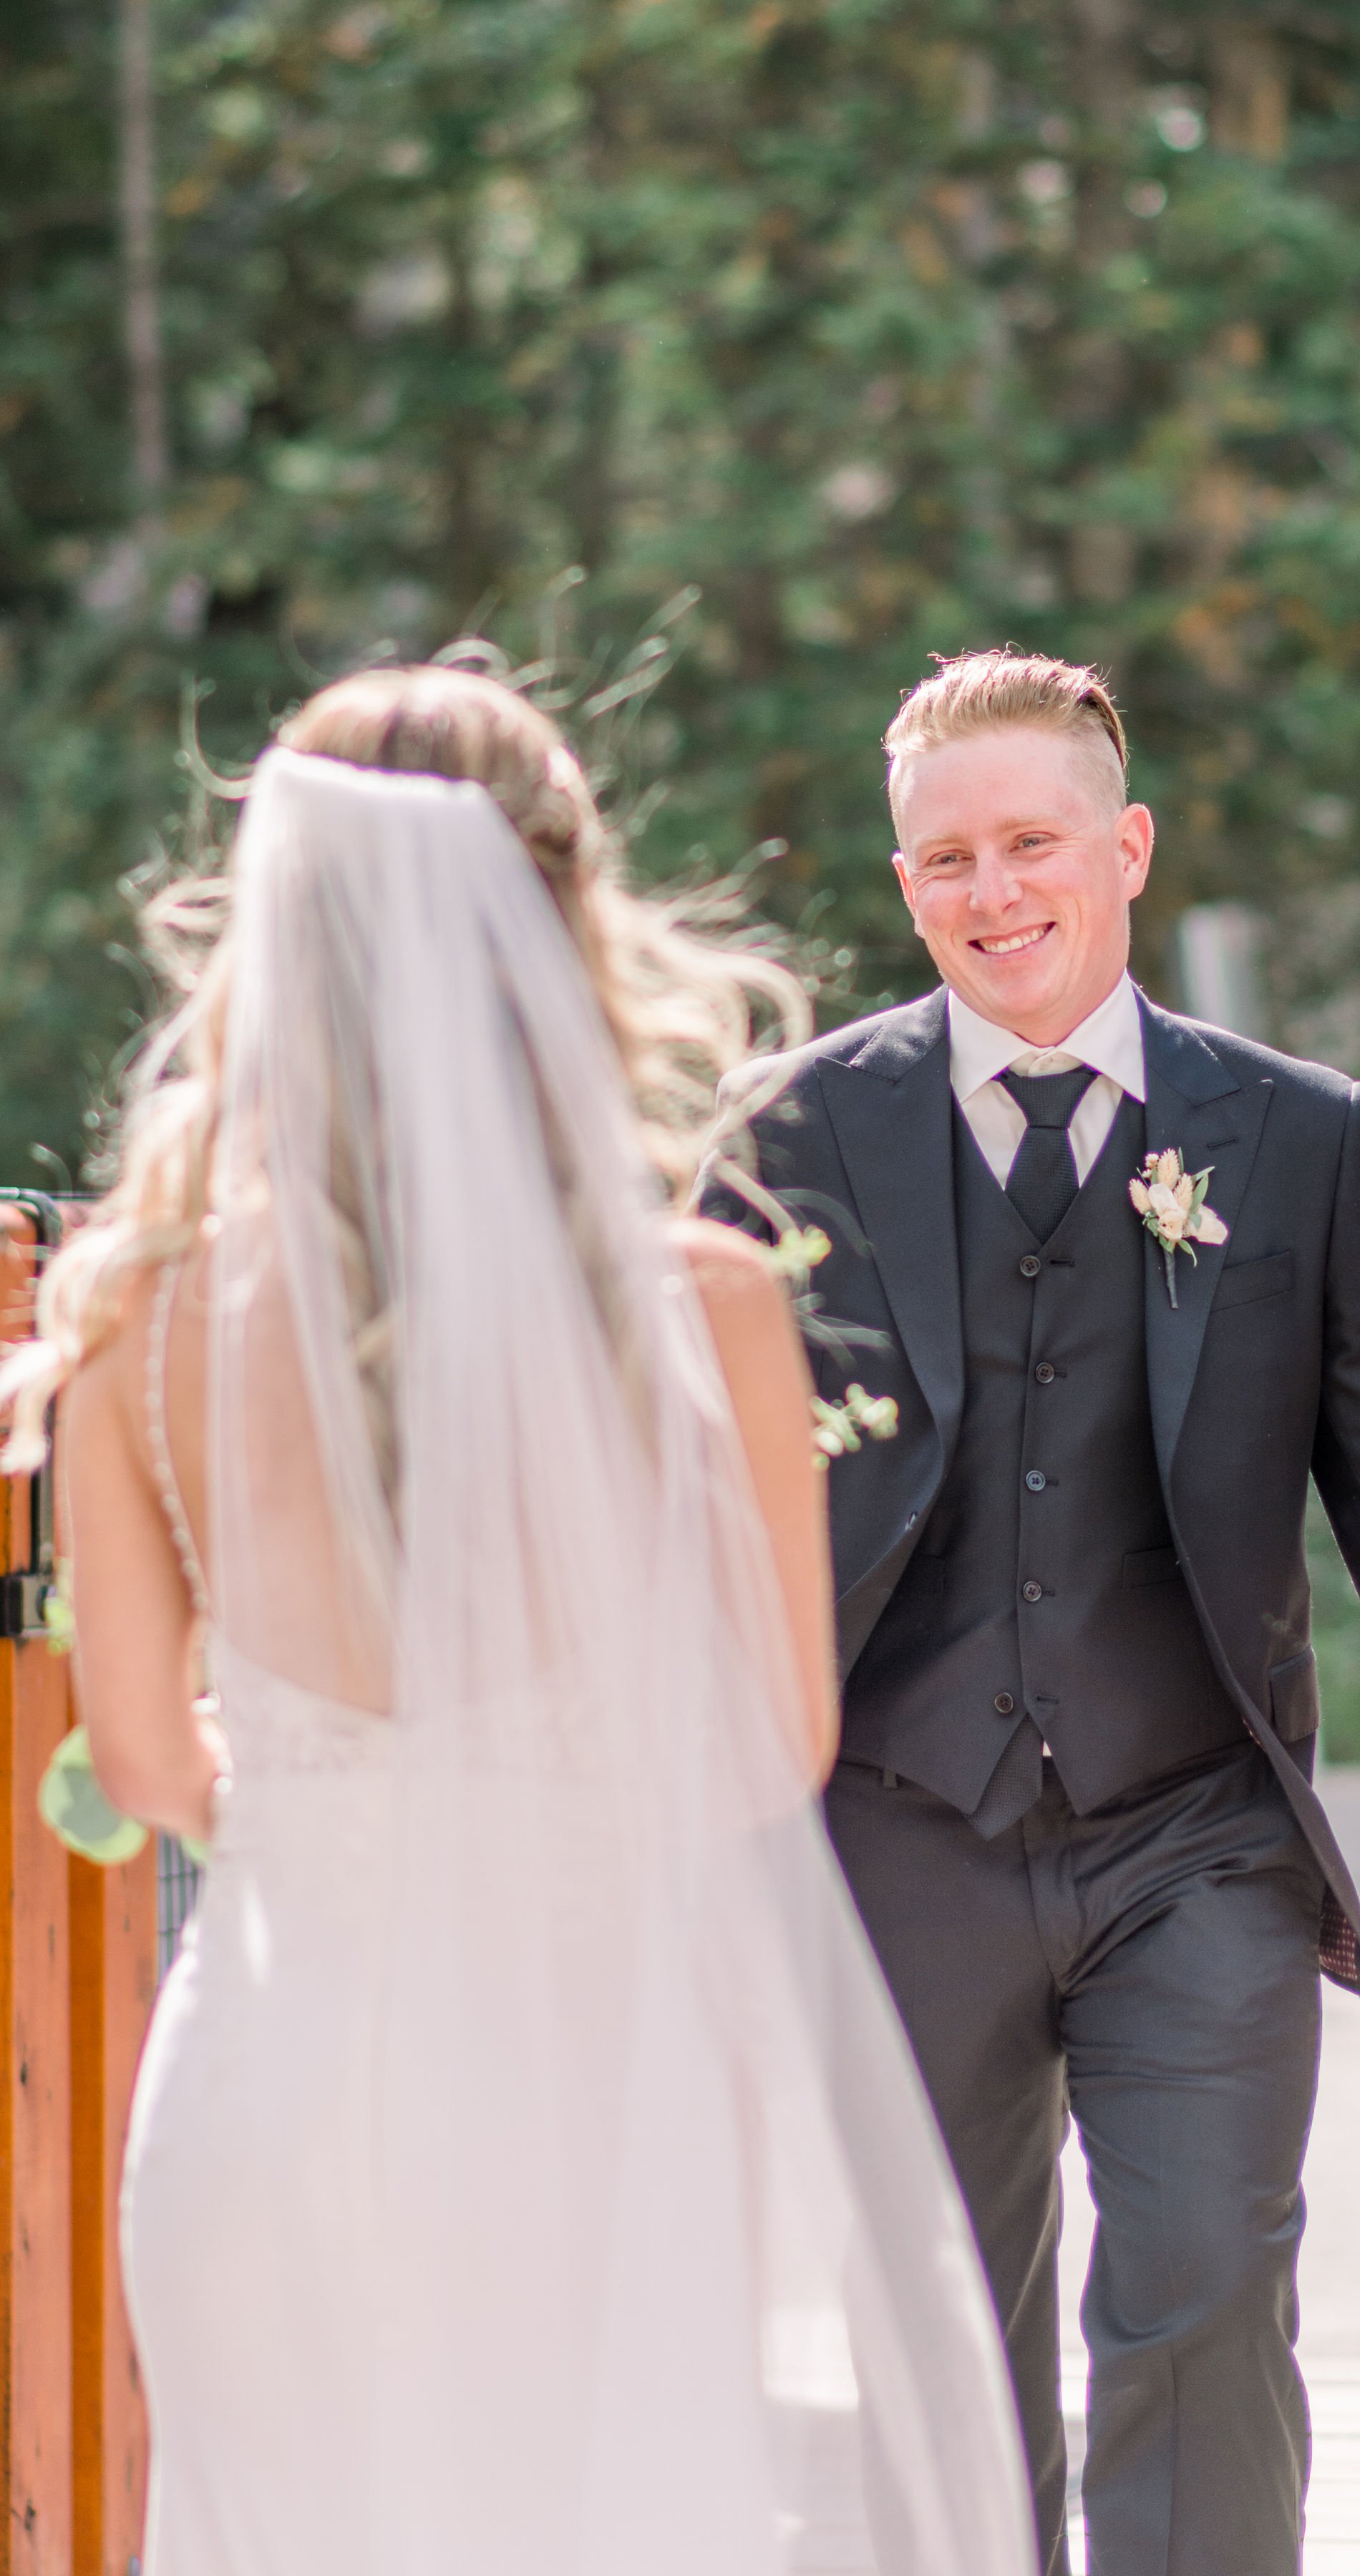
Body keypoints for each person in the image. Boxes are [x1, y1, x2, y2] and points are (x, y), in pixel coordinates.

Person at [3, 668, 1036, 2576]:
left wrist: (339, 1801)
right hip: (583, 2098)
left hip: (272, 2098)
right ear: (561, 914)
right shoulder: (707, 1305)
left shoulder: (134, 1320)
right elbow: (769, 1746)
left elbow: (143, 1760)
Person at [699, 648, 1360, 2576]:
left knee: (1202, 2300)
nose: (991, 892)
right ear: (902, 887)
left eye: (1031, 841)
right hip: (895, 1826)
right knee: (935, 2351)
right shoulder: (786, 1134)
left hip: (1192, 1834)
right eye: (942, 860)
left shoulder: (1292, 1133)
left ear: (1126, 849)